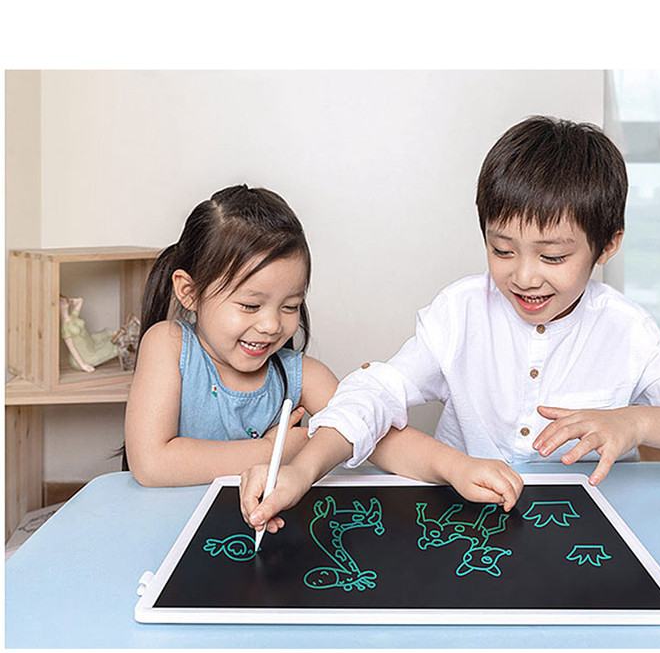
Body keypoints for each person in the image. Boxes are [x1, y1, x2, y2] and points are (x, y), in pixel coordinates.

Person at [240, 117, 660, 533]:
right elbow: (375, 393)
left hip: (591, 528)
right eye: (502, 250)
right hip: (466, 521)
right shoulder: (460, 311)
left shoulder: (626, 329)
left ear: (607, 245)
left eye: (553, 257)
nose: (524, 277)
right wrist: (301, 470)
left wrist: (634, 423)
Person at [125, 184, 521, 516]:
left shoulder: (304, 376)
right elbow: (152, 464)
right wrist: (272, 451)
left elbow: (374, 432)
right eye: (250, 305)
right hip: (167, 528)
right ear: (189, 292)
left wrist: (457, 466)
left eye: (290, 306)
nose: (271, 325)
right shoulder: (168, 344)